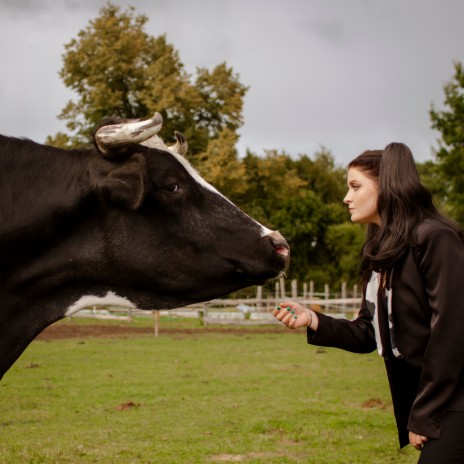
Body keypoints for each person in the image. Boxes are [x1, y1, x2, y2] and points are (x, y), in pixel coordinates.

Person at [273, 143, 464, 463]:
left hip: (455, 396)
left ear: (388, 186)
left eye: (355, 186)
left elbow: (452, 329)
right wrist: (312, 318)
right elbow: (369, 332)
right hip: (438, 399)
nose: (346, 197)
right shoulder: (381, 251)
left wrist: (426, 413)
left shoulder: (435, 237)